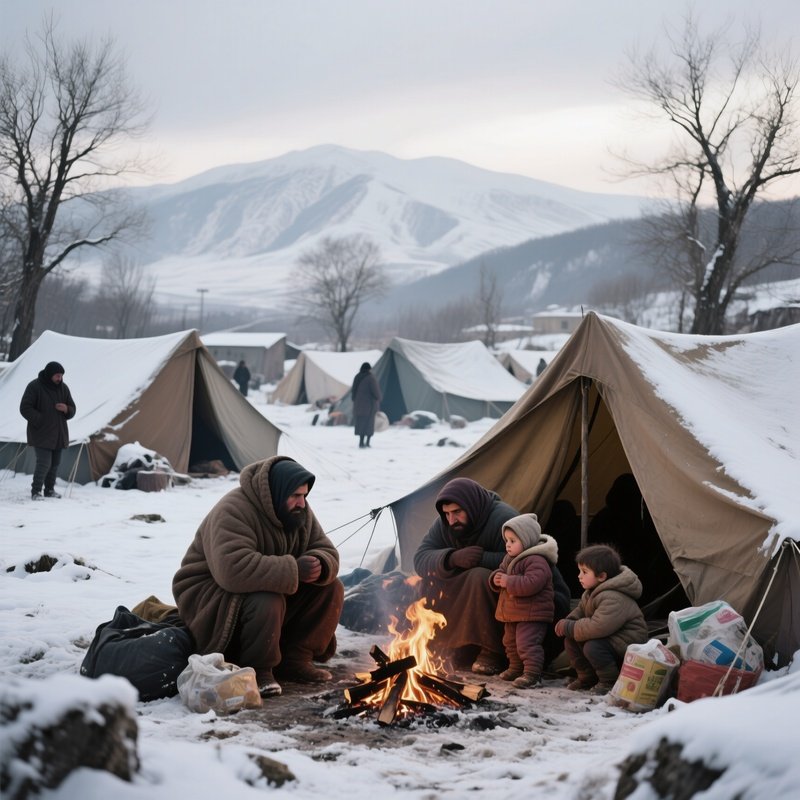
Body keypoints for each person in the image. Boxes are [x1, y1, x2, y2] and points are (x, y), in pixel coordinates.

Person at [172, 455, 344, 698]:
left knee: (330, 587)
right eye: (296, 495)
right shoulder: (233, 509)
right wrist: (294, 569)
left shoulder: (298, 511)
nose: (302, 503)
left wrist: (320, 564)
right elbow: (232, 570)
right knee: (267, 598)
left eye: (305, 495)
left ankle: (295, 660)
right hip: (210, 597)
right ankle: (259, 670)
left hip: (261, 593)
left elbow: (326, 549)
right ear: (276, 492)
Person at [413, 477, 518, 675]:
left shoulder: (504, 519)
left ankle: (492, 651)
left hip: (513, 590)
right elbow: (420, 558)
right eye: (447, 514)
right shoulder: (445, 524)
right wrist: (451, 558)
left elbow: (527, 560)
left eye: (457, 512)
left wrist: (483, 558)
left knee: (479, 577)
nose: (452, 520)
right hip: (468, 584)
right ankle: (457, 645)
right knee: (426, 582)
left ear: (471, 505)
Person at [554, 543, 648, 695]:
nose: (579, 576)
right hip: (610, 637)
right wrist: (568, 621)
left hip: (628, 640)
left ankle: (609, 681)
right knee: (570, 640)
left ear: (602, 576)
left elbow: (599, 626)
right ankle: (587, 677)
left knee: (593, 647)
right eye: (579, 571)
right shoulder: (591, 592)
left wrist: (571, 627)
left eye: (584, 572)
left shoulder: (614, 597)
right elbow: (581, 611)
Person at [489, 513, 557, 688]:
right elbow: (502, 572)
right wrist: (496, 578)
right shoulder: (509, 559)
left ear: (526, 540)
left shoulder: (537, 560)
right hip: (513, 613)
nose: (508, 545)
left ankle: (532, 674)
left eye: (513, 540)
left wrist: (508, 581)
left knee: (527, 643)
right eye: (507, 540)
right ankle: (515, 668)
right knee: (510, 643)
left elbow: (532, 583)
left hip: (532, 613)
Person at [19, 360, 76, 501]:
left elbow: (73, 409)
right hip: (41, 432)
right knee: (44, 463)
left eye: (61, 375)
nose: (60, 378)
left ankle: (49, 490)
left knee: (55, 464)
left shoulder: (64, 388)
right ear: (50, 374)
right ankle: (36, 491)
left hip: (59, 433)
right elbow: (25, 408)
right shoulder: (34, 386)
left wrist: (67, 409)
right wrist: (41, 419)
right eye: (57, 375)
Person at [351, 361, 381, 448]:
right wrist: (379, 398)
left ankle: (361, 442)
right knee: (369, 424)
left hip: (358, 405)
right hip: (369, 406)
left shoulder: (357, 377)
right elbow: (376, 393)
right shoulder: (370, 378)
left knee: (360, 424)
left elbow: (353, 392)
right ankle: (367, 442)